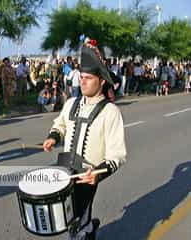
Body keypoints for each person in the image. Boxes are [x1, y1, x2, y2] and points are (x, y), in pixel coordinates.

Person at [43, 42, 127, 240]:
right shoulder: (71, 103)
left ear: (102, 82)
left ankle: (85, 231)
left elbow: (117, 154)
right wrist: (53, 137)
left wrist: (98, 175)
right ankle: (89, 227)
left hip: (88, 174)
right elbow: (60, 124)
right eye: (82, 78)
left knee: (76, 222)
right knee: (65, 217)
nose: (83, 82)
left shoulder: (110, 111)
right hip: (64, 169)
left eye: (88, 78)